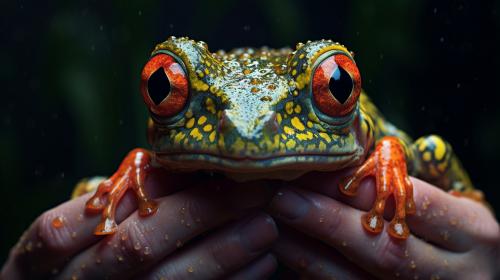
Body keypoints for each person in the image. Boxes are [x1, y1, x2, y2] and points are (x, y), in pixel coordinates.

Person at [2, 168, 499, 279]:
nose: (248, 129)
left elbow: (411, 144)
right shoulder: (148, 169)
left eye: (334, 87)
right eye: (165, 87)